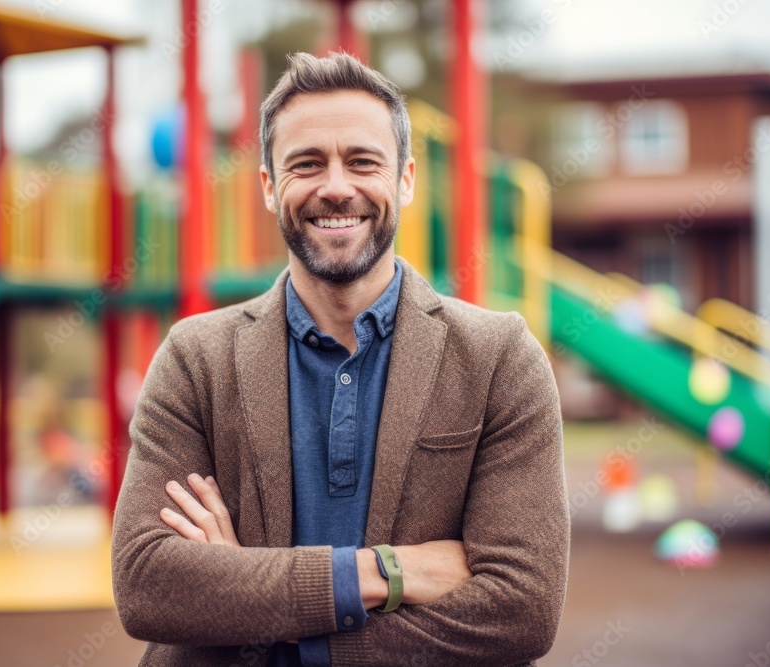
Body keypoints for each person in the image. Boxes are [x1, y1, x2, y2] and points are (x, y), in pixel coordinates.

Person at [112, 52, 569, 667]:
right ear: (271, 186)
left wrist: (252, 608)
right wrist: (387, 572)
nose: (335, 186)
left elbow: (522, 610)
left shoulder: (498, 358)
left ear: (404, 179)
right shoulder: (195, 358)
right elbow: (147, 586)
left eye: (362, 161)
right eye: (306, 164)